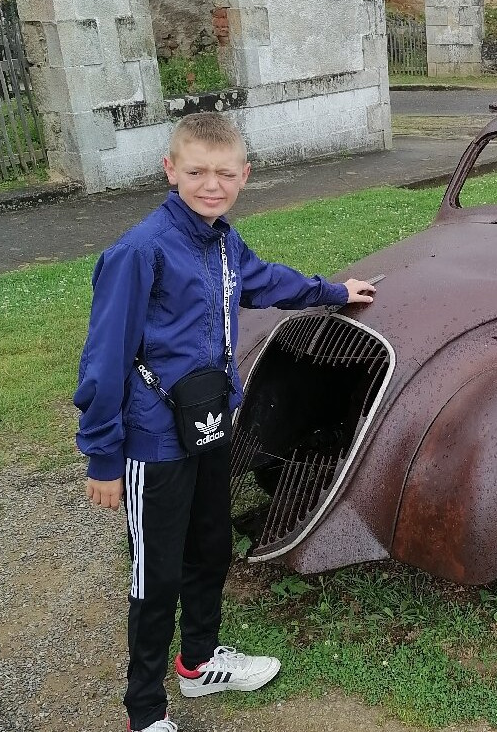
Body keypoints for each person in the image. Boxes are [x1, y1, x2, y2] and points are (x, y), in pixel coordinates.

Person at [75, 112, 376, 732]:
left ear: (245, 174)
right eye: (196, 172)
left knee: (210, 547)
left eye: (223, 173)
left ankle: (199, 660)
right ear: (170, 170)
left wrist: (332, 292)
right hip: (154, 442)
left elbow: (264, 281)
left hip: (208, 424)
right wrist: (103, 458)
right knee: (155, 576)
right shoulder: (139, 252)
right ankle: (144, 711)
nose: (210, 185)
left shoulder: (222, 242)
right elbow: (103, 361)